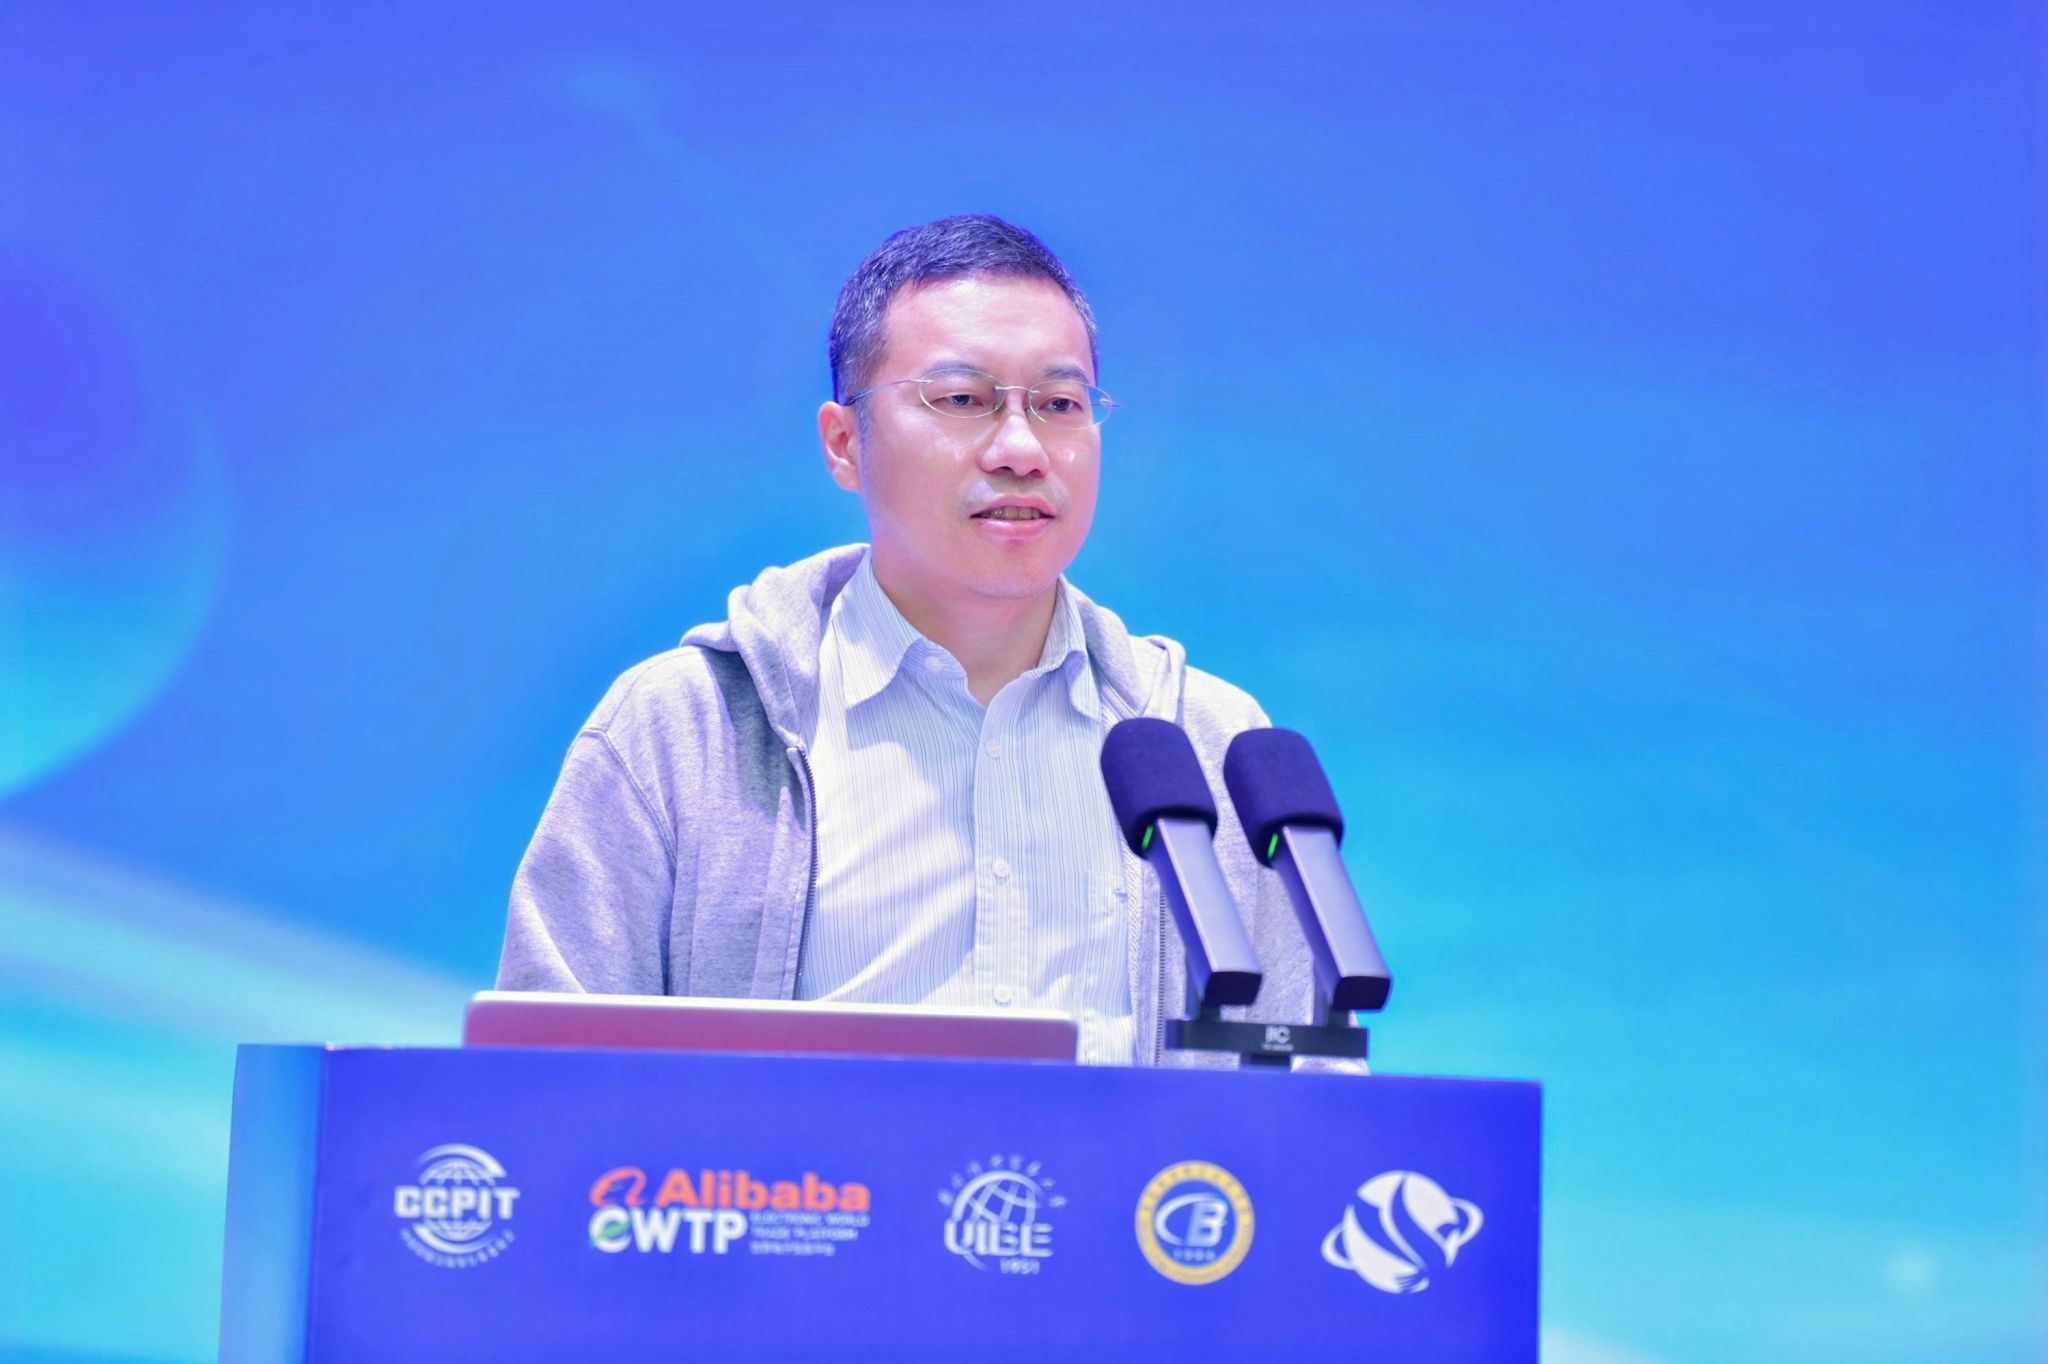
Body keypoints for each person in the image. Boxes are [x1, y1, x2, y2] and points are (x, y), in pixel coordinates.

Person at [497, 214, 1319, 1067]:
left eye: (1060, 405)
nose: (1021, 449)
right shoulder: (683, 732)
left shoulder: (1209, 749)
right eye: (962, 400)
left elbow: (1306, 1089)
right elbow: (539, 1086)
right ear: (843, 444)